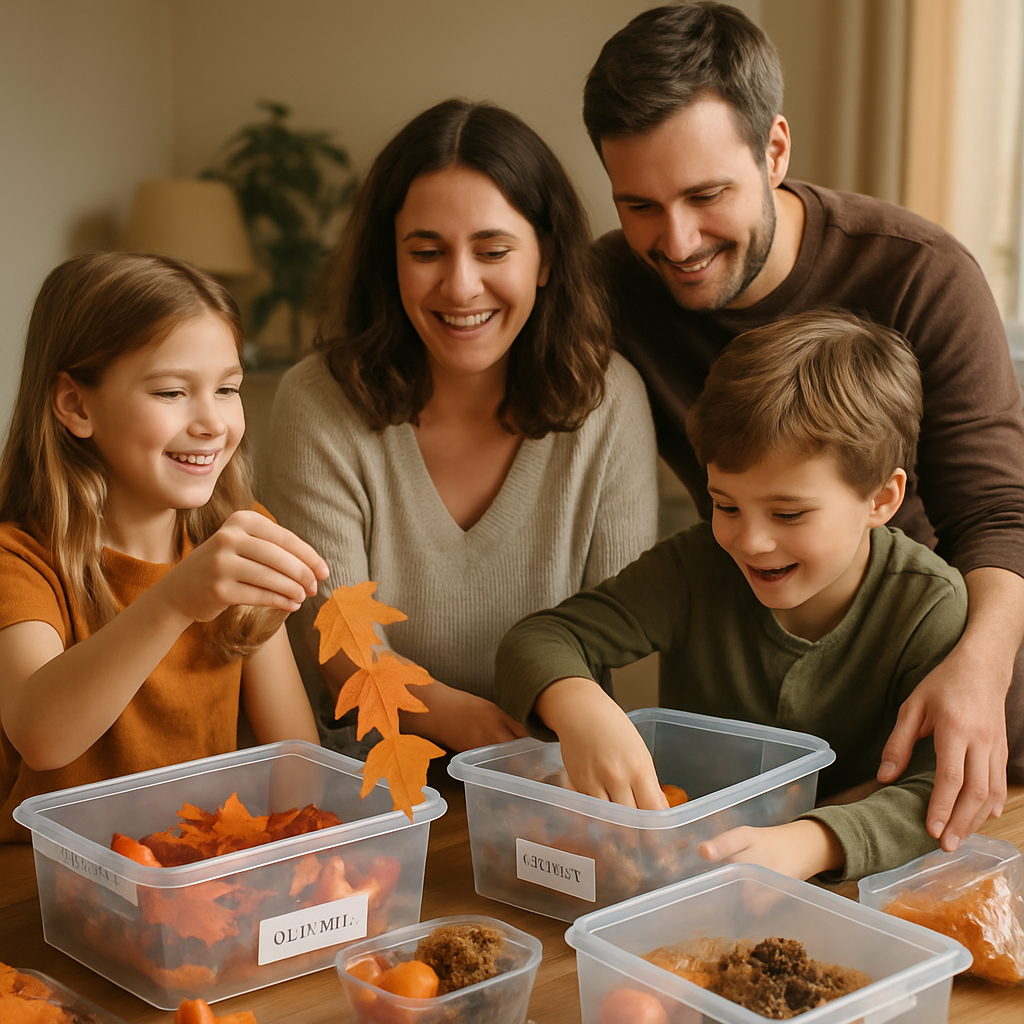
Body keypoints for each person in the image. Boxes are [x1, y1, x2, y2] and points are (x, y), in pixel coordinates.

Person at [582, 1, 1024, 851]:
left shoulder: (920, 273)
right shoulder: (610, 285)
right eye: (638, 205)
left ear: (775, 150)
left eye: (707, 196)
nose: (675, 242)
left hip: (951, 675)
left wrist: (978, 668)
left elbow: (999, 516)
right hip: (789, 698)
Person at [497, 309, 967, 881]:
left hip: (847, 890)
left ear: (881, 499)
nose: (752, 540)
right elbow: (539, 637)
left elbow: (940, 791)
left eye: (789, 512)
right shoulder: (696, 566)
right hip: (680, 869)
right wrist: (580, 707)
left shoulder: (928, 606)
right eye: (726, 505)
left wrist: (810, 844)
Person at [264, 99, 658, 757]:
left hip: (552, 768)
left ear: (547, 258)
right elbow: (334, 637)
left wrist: (538, 727)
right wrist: (454, 718)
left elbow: (619, 627)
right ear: (389, 259)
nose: (460, 285)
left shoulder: (610, 398)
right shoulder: (317, 401)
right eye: (426, 252)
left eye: (493, 250)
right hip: (370, 779)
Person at [0, 252, 329, 843]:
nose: (212, 423)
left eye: (227, 388)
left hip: (195, 876)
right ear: (75, 404)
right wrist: (175, 599)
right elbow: (41, 734)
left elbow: (293, 759)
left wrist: (299, 868)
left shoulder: (234, 535)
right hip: (48, 892)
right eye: (173, 392)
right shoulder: (18, 559)